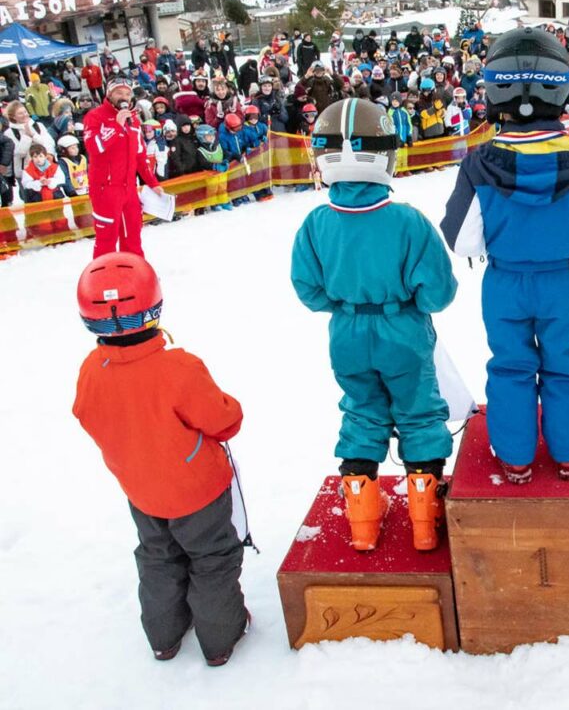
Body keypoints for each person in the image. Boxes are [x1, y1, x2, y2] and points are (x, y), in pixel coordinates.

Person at [441, 27, 569, 484]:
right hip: (563, 281)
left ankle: (516, 456)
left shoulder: (481, 163)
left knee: (510, 365)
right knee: (563, 360)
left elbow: (462, 239)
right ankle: (567, 453)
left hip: (505, 282)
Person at [291, 99, 457, 552]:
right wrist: (408, 302)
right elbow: (439, 292)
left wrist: (344, 303)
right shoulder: (408, 221)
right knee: (419, 410)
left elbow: (307, 289)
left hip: (346, 333)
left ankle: (363, 519)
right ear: (387, 154)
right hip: (401, 329)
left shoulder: (316, 223)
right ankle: (424, 520)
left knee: (362, 410)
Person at [72, 253, 249, 666]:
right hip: (198, 490)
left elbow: (85, 414)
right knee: (212, 558)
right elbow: (223, 420)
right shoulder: (178, 367)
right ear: (154, 308)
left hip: (141, 490)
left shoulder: (91, 370)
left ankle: (164, 636)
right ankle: (221, 638)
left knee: (158, 556)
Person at [82, 76, 165, 256]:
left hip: (129, 189)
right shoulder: (95, 116)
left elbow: (140, 156)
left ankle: (134, 275)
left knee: (133, 235)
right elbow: (93, 148)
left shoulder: (134, 121)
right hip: (105, 189)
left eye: (127, 93)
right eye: (119, 92)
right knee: (107, 238)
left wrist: (153, 183)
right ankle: (104, 278)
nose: (124, 97)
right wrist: (116, 125)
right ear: (109, 94)